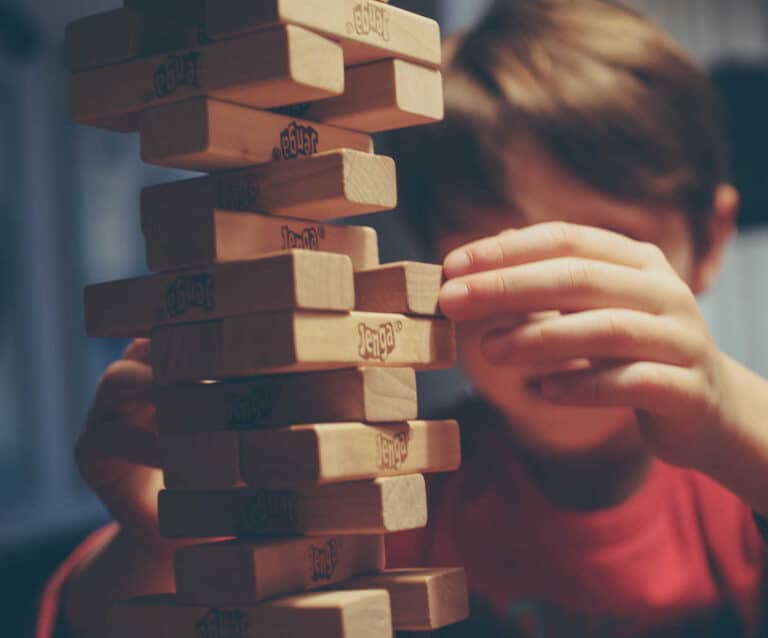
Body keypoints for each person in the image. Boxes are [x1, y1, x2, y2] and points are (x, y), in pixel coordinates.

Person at [39, 1, 768, 636]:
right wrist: (164, 542)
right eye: (499, 261)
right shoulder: (380, 492)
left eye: (600, 257)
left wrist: (733, 410)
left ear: (707, 243)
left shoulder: (741, 487)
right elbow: (96, 616)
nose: (550, 311)